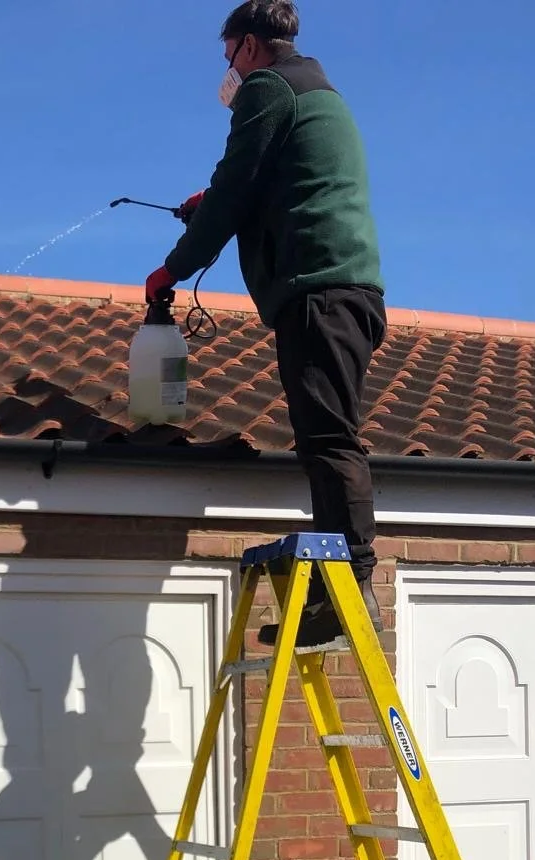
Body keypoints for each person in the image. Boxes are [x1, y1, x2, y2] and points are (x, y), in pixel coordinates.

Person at [146, 0, 386, 647]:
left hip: (319, 293)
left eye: (228, 57)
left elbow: (232, 193)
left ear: (249, 47)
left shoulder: (267, 87)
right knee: (322, 439)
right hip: (345, 291)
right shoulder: (315, 89)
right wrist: (214, 201)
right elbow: (264, 183)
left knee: (330, 440)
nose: (228, 71)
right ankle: (336, 599)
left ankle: (352, 595)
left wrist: (172, 269)